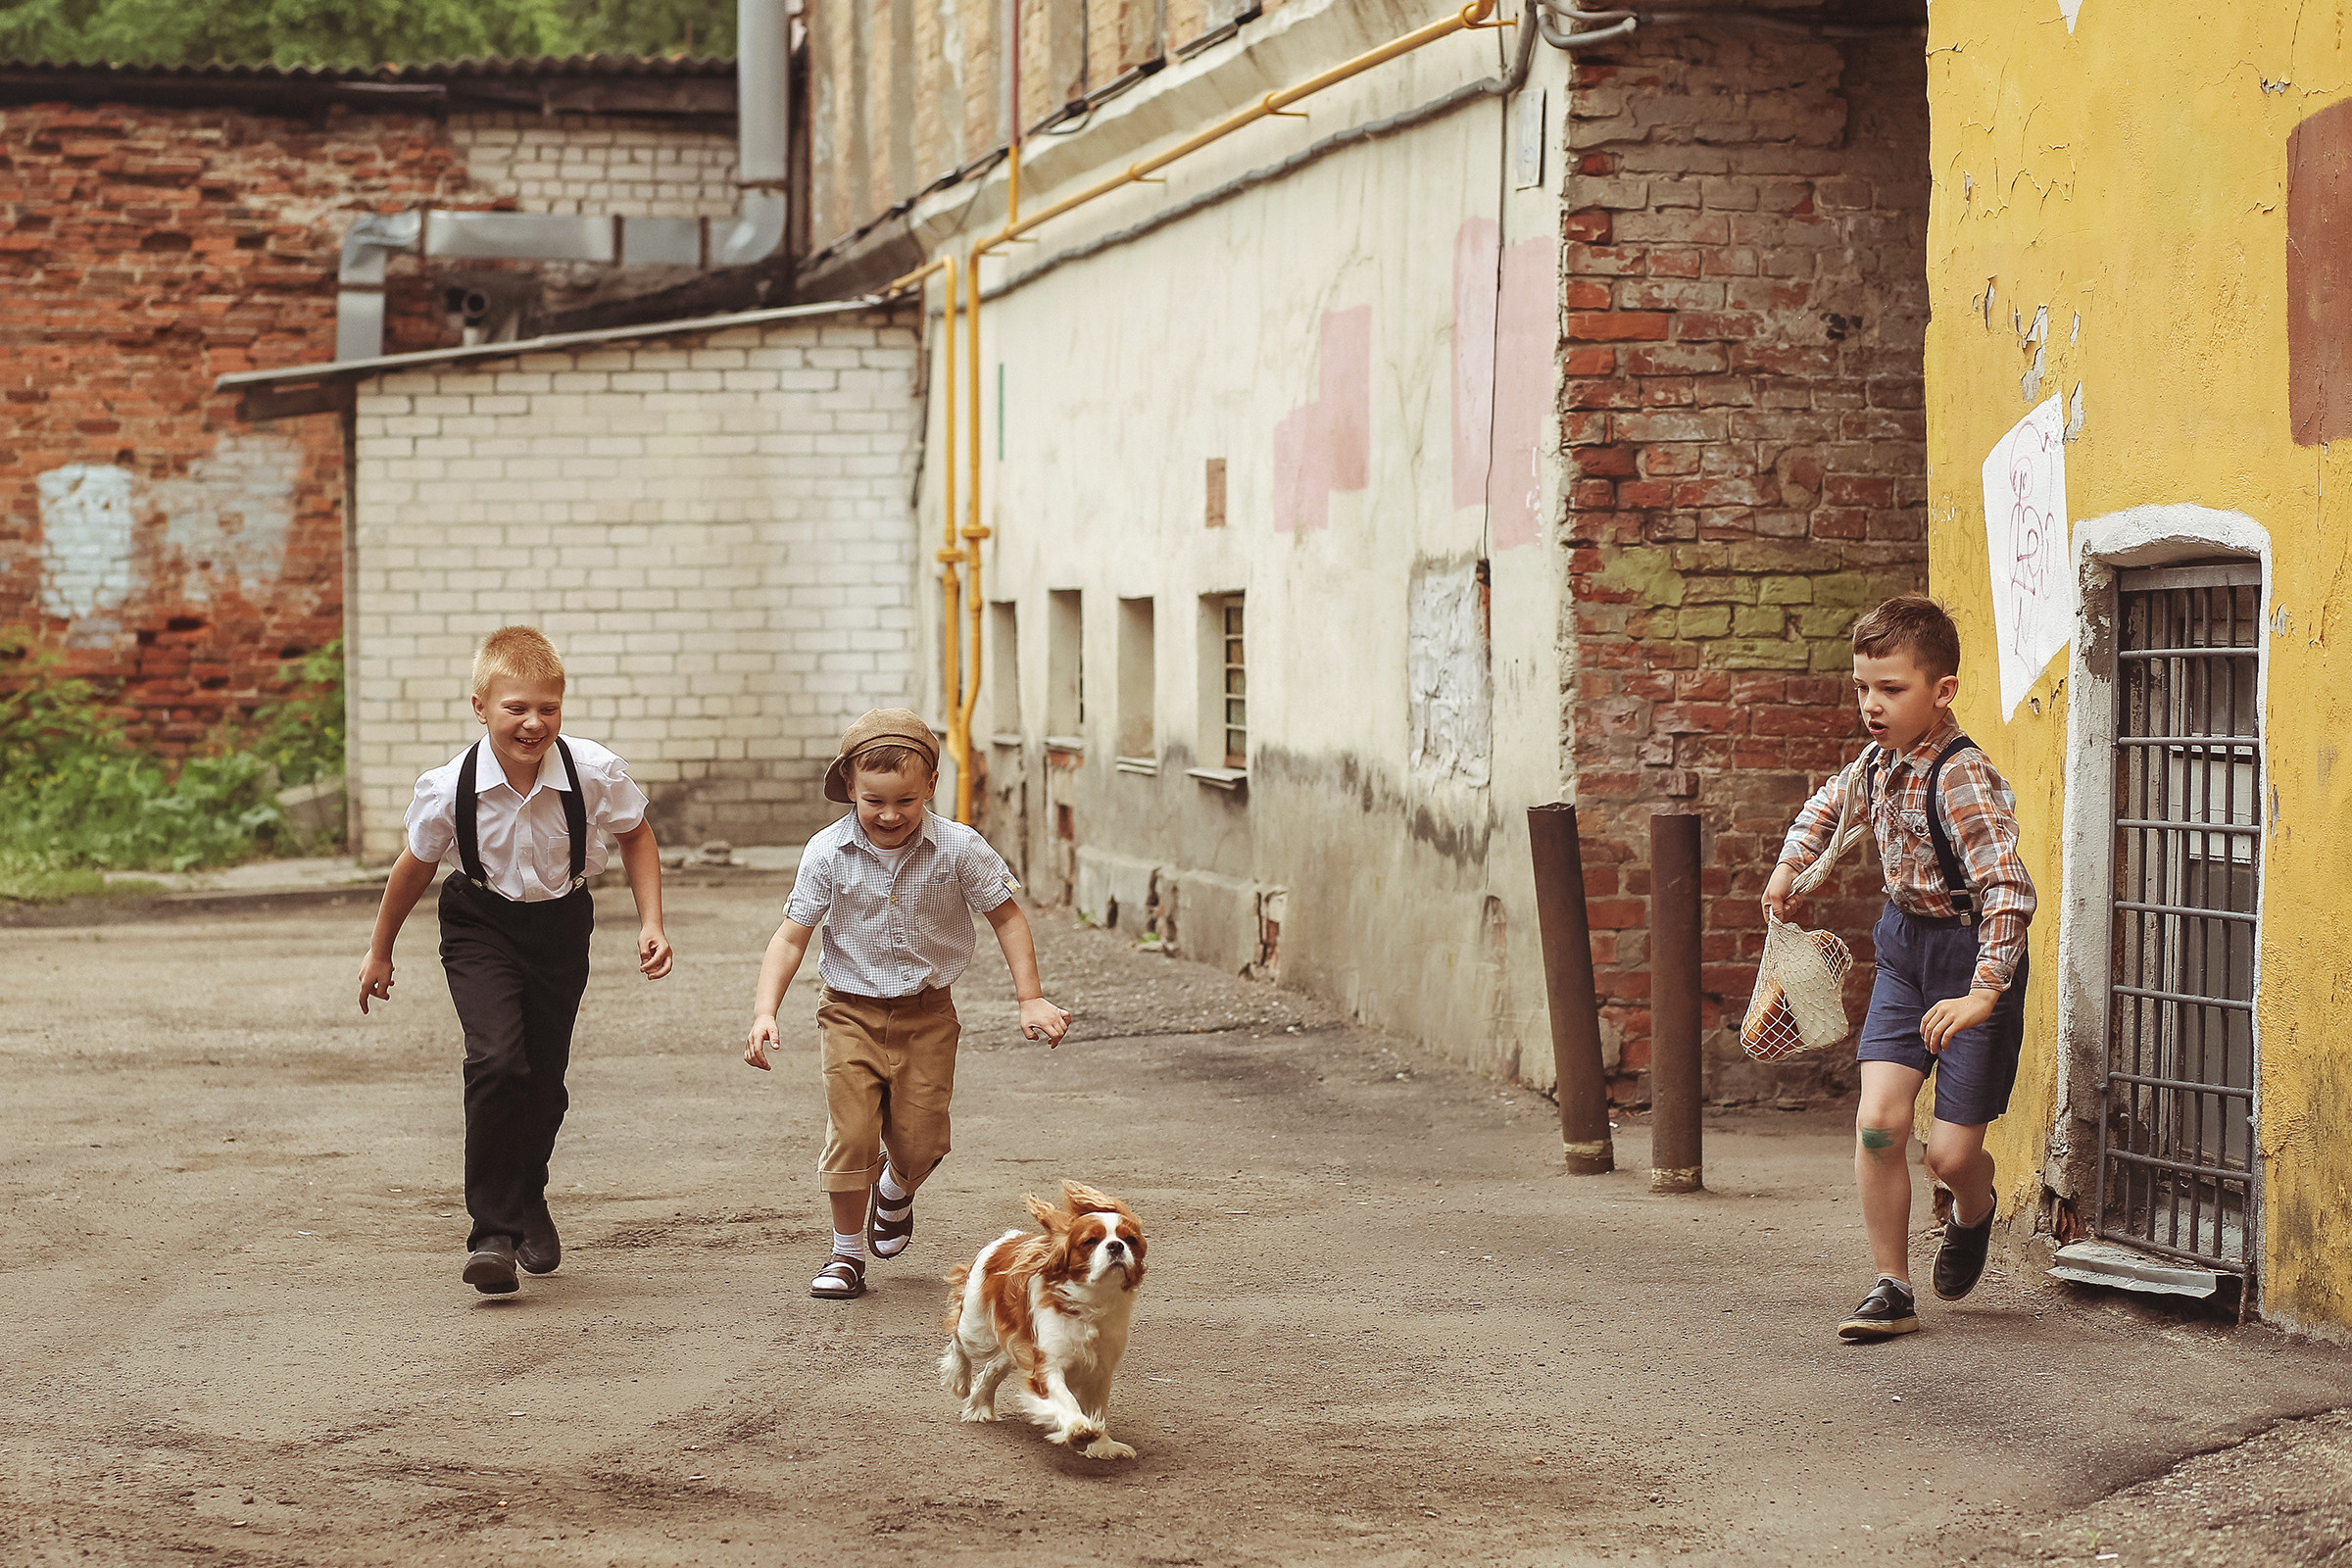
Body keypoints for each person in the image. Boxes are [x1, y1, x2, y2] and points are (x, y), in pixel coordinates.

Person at [358, 626, 673, 1296]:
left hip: (560, 926)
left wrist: (651, 921)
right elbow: (412, 868)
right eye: (516, 708)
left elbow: (637, 837)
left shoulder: (592, 773)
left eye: (548, 709)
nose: (533, 723)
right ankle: (492, 1235)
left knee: (545, 1080)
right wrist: (379, 949)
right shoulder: (449, 788)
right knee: (497, 1061)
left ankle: (529, 1194)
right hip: (480, 923)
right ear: (481, 707)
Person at [1763, 594, 2036, 1342]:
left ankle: (1974, 1208)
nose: (1872, 705)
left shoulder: (1961, 775)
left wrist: (1985, 993)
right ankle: (1892, 1289)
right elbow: (1829, 806)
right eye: (1862, 688)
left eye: (1891, 689)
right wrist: (1791, 868)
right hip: (1904, 951)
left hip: (1972, 956)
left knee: (1950, 1154)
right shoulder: (1877, 762)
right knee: (1881, 1126)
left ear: (1941, 690)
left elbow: (2008, 886)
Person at [743, 709, 1071, 1301]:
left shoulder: (957, 847)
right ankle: (845, 1256)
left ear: (931, 789)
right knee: (852, 1134)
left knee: (922, 1140)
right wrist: (766, 1010)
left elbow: (1007, 916)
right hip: (849, 1012)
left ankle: (896, 1188)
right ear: (849, 788)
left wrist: (1031, 998)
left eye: (906, 802)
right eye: (874, 801)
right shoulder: (827, 852)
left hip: (928, 1015)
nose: (889, 815)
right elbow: (792, 936)